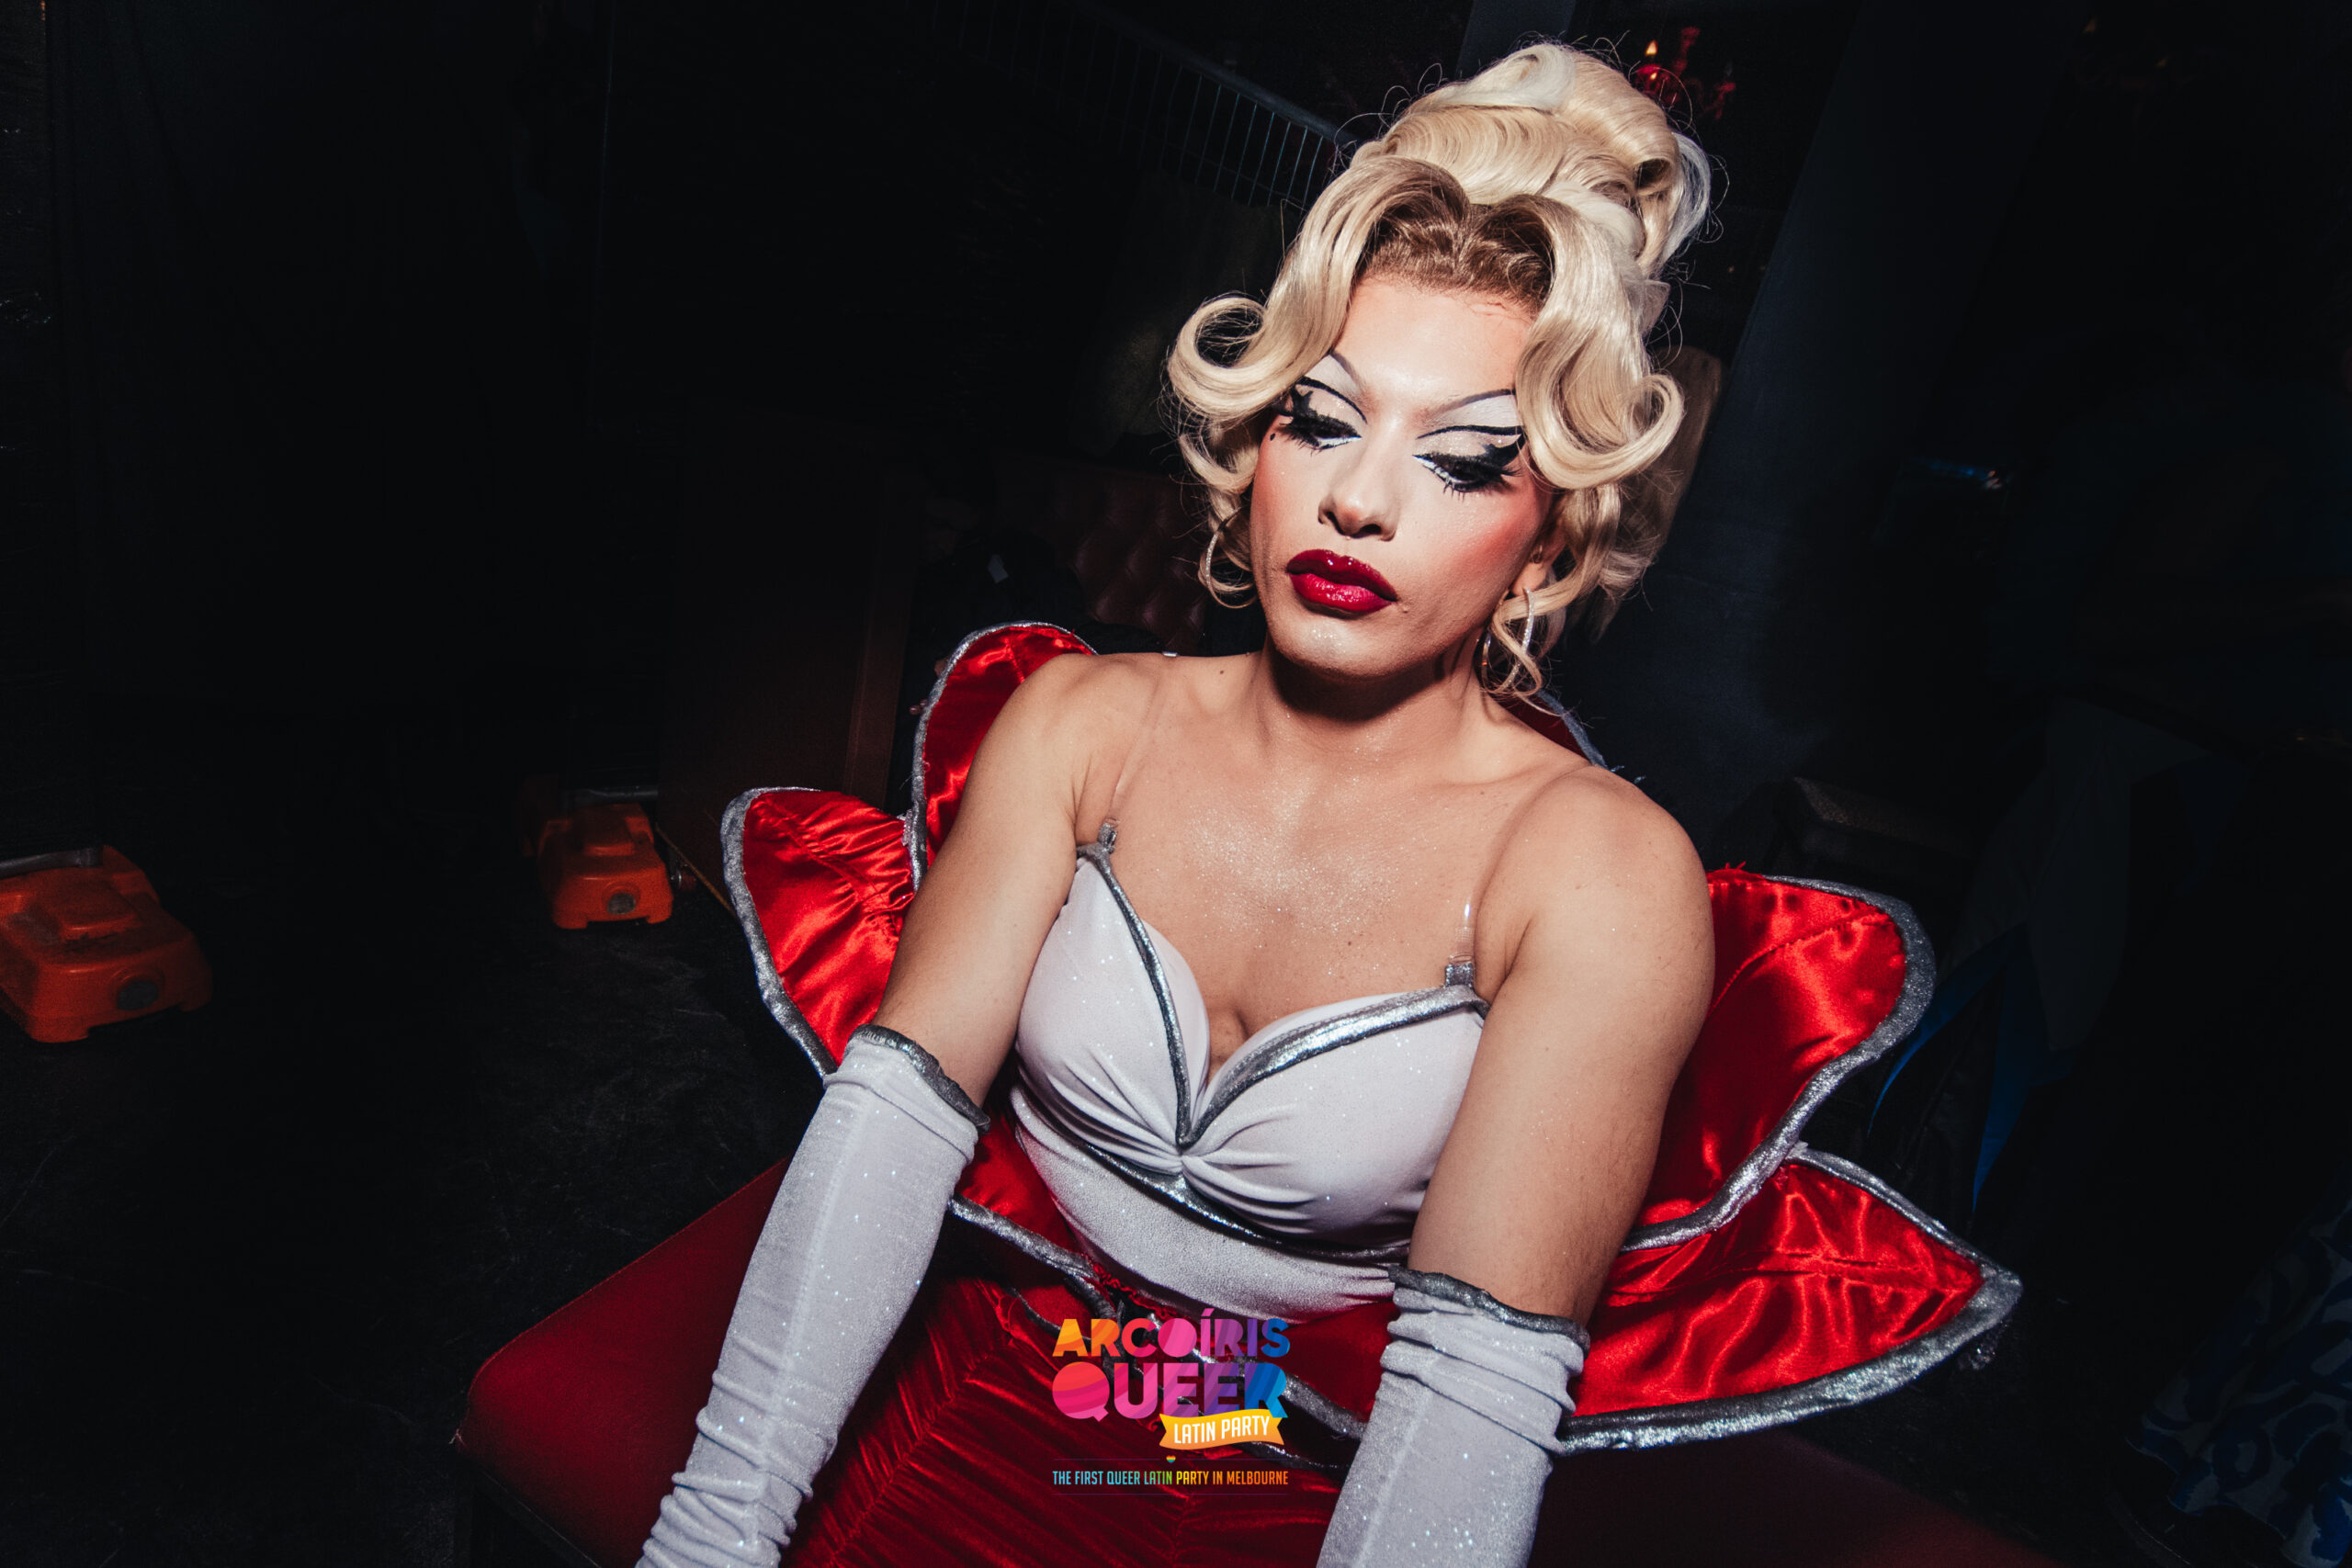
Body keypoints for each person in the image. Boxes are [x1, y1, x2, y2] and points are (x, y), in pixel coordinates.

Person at [640, 43, 1715, 1568]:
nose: (1360, 500)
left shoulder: (1602, 872)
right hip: (978, 1311)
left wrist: (1148, 1431)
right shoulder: (1082, 721)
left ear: (1546, 540)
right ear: (1257, 437)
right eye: (1323, 420)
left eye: (1465, 460)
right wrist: (709, 1539)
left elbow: (1470, 1388)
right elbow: (889, 1130)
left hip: (1301, 1428)